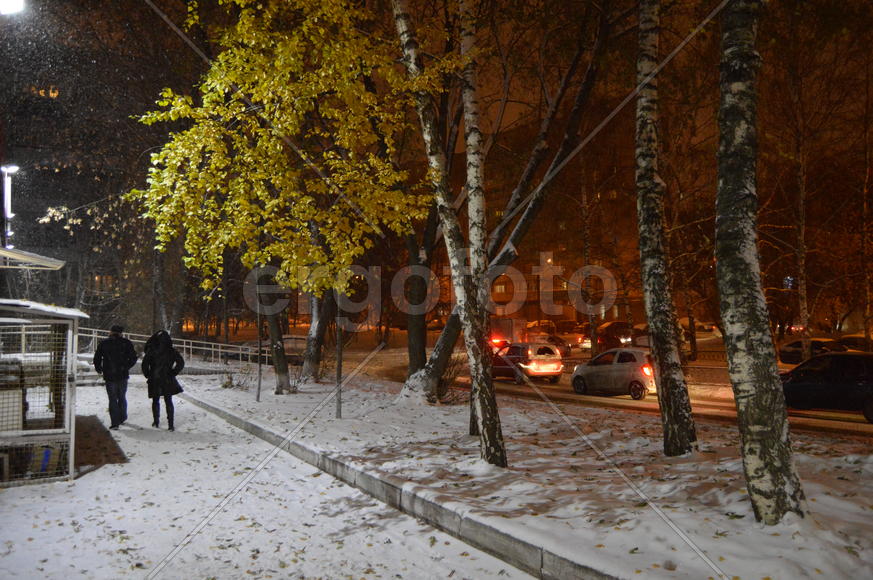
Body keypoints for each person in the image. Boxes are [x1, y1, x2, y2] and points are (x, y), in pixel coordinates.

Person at [93, 325, 138, 430]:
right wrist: (126, 367)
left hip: (109, 375)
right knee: (122, 396)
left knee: (112, 398)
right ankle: (122, 417)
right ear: (121, 333)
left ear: (110, 332)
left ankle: (115, 422)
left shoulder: (104, 343)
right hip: (122, 375)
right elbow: (133, 358)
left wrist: (99, 368)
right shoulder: (126, 343)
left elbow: (97, 358)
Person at [142, 330, 185, 431]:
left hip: (155, 378)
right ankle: (171, 424)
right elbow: (181, 363)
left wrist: (148, 374)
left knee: (155, 400)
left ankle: (156, 421)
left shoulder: (151, 350)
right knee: (168, 401)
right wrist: (173, 372)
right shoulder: (171, 351)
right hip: (167, 378)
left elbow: (144, 364)